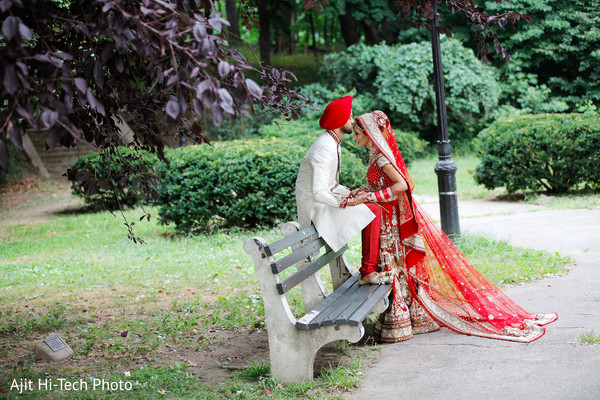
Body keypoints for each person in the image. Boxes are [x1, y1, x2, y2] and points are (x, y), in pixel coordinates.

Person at [349, 110, 558, 343]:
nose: (354, 138)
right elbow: (384, 185)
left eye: (357, 134)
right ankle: (404, 317)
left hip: (392, 220)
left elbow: (402, 185)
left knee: (397, 264)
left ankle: (404, 319)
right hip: (387, 217)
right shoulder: (375, 154)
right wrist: (367, 192)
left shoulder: (382, 159)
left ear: (369, 134)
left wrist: (371, 197)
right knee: (395, 266)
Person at [295, 96, 383, 276]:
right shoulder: (324, 147)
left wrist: (351, 192)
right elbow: (319, 193)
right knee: (374, 210)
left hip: (324, 204)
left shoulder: (332, 142)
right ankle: (368, 270)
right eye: (349, 117)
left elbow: (331, 185)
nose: (352, 121)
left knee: (375, 207)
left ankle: (371, 267)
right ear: (339, 120)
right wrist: (350, 202)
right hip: (316, 209)